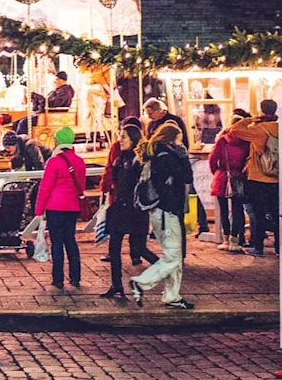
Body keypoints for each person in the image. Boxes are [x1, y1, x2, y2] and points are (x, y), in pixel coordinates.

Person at [129, 120, 195, 310]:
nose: (181, 143)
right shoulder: (166, 157)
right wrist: (183, 158)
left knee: (174, 255)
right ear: (172, 139)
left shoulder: (159, 155)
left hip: (166, 212)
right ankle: (142, 282)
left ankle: (172, 295)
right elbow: (187, 178)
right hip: (167, 213)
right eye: (179, 139)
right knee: (172, 257)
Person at [100, 124, 158, 298]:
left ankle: (166, 268)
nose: (120, 139)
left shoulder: (139, 162)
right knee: (114, 247)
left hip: (135, 211)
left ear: (133, 139)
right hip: (121, 208)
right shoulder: (121, 160)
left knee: (139, 248)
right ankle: (116, 284)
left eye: (124, 137)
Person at [34, 125, 87, 290]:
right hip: (72, 207)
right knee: (70, 240)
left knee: (57, 243)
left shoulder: (54, 162)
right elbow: (82, 185)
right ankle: (75, 276)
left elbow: (45, 188)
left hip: (55, 207)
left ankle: (58, 279)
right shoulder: (80, 162)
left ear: (57, 142)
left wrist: (38, 209)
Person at [227, 100, 280, 257]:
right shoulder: (281, 128)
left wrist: (252, 119)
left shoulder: (259, 130)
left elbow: (234, 130)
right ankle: (279, 247)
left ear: (262, 110)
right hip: (277, 178)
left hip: (258, 177)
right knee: (277, 214)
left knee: (258, 214)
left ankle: (258, 247)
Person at [209, 110, 250, 253]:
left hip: (222, 177)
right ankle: (235, 241)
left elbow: (213, 159)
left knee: (223, 211)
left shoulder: (222, 140)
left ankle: (225, 240)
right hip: (238, 177)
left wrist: (217, 172)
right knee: (238, 210)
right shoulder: (246, 142)